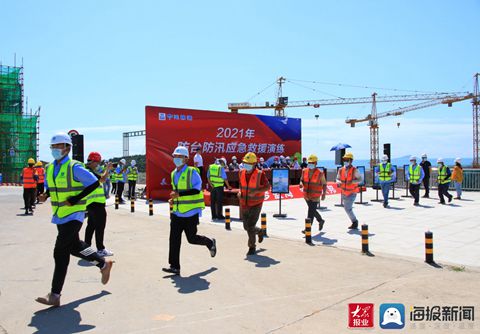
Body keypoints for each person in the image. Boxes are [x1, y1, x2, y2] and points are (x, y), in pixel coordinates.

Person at [35, 133, 113, 307]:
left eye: (59, 146)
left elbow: (94, 183)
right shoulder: (49, 168)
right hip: (59, 215)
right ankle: (103, 264)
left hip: (75, 215)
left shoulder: (74, 167)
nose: (55, 150)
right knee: (75, 247)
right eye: (53, 147)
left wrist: (76, 199)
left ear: (68, 148)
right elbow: (52, 187)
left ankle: (55, 295)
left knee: (60, 251)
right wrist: (45, 195)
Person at [162, 146, 217, 275]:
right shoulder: (173, 173)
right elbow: (176, 191)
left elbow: (196, 189)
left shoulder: (192, 172)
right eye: (175, 156)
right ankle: (174, 266)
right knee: (174, 240)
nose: (176, 159)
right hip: (177, 213)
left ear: (186, 159)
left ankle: (209, 242)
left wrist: (179, 195)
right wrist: (173, 199)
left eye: (179, 157)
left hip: (190, 213)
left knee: (191, 239)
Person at [237, 152, 270, 255]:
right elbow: (241, 186)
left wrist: (256, 192)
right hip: (244, 203)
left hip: (256, 203)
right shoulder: (241, 172)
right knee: (246, 226)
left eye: (248, 163)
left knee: (250, 226)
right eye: (244, 162)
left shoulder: (260, 174)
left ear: (254, 164)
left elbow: (267, 187)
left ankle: (252, 247)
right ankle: (260, 231)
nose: (246, 165)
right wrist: (239, 192)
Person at [85, 152, 114, 257]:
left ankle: (86, 248)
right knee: (100, 226)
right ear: (93, 161)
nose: (98, 165)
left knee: (91, 226)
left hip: (91, 203)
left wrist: (105, 169)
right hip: (96, 203)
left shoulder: (87, 170)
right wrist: (108, 169)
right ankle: (100, 249)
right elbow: (103, 179)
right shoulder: (89, 172)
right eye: (97, 163)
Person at [300, 154, 327, 232]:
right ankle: (321, 220)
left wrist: (324, 194)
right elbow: (301, 179)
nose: (310, 164)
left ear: (316, 163)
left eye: (312, 162)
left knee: (310, 212)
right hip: (306, 195)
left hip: (315, 196)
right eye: (309, 162)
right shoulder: (304, 171)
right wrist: (301, 183)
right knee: (312, 210)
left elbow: (324, 184)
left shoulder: (320, 173)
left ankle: (307, 229)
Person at [336, 152, 362, 229]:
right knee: (346, 208)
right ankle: (354, 221)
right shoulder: (341, 170)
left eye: (347, 160)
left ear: (351, 161)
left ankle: (354, 222)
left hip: (352, 192)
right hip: (344, 192)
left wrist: (353, 182)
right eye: (344, 159)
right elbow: (337, 178)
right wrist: (338, 182)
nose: (345, 161)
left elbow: (360, 179)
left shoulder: (354, 170)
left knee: (347, 208)